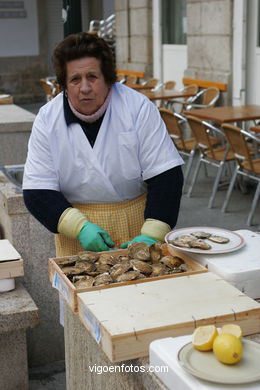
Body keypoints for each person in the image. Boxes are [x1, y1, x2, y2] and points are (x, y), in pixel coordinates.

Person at [22, 32, 184, 257]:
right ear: (64, 85)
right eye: (75, 79)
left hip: (139, 227)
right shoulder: (48, 119)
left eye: (93, 76)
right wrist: (80, 227)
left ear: (108, 78)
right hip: (76, 235)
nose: (85, 87)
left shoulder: (137, 108)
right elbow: (37, 190)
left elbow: (167, 176)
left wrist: (152, 233)